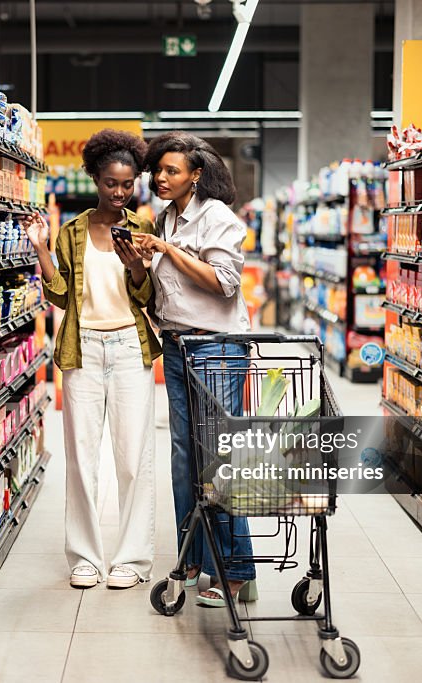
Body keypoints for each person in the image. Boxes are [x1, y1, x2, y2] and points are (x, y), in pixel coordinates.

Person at [23, 129, 161, 589]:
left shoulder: (144, 230)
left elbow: (147, 296)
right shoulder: (73, 231)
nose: (119, 192)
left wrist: (137, 265)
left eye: (127, 184)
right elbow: (60, 294)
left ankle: (133, 560)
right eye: (110, 183)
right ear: (94, 179)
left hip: (129, 349)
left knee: (133, 456)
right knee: (81, 457)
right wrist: (42, 248)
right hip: (82, 350)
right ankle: (84, 557)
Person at [134, 132, 256, 608]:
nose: (160, 178)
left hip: (217, 349)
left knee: (218, 459)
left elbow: (224, 284)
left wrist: (167, 252)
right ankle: (191, 560)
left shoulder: (216, 218)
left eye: (171, 171)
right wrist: (140, 261)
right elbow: (169, 290)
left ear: (196, 175)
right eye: (158, 171)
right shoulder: (166, 218)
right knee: (185, 459)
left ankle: (236, 569)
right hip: (179, 344)